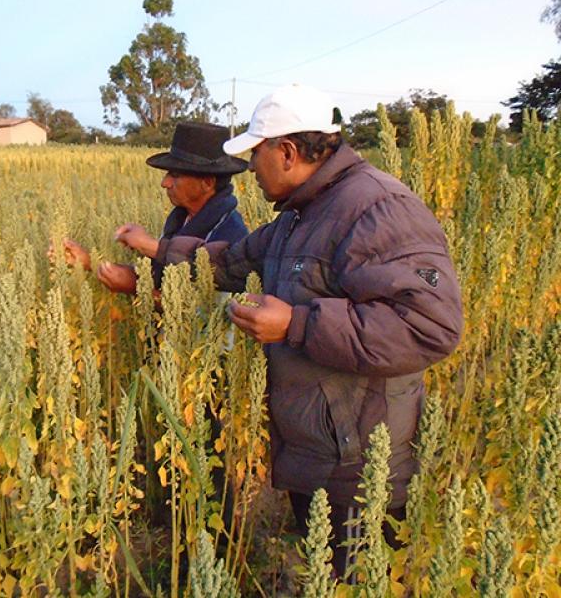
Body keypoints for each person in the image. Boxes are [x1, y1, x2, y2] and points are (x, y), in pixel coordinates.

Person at [115, 84, 464, 578]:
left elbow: (430, 327)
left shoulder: (377, 209)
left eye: (255, 154)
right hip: (318, 452)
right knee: (326, 576)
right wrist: (157, 253)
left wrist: (297, 324)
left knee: (360, 579)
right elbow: (232, 262)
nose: (250, 169)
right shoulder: (299, 216)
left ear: (288, 151)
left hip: (361, 464)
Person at [61, 121, 249, 293]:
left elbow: (204, 313)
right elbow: (159, 277)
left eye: (175, 175)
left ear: (207, 182)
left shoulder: (230, 234)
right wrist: (89, 262)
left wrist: (137, 288)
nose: (164, 183)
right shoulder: (181, 218)